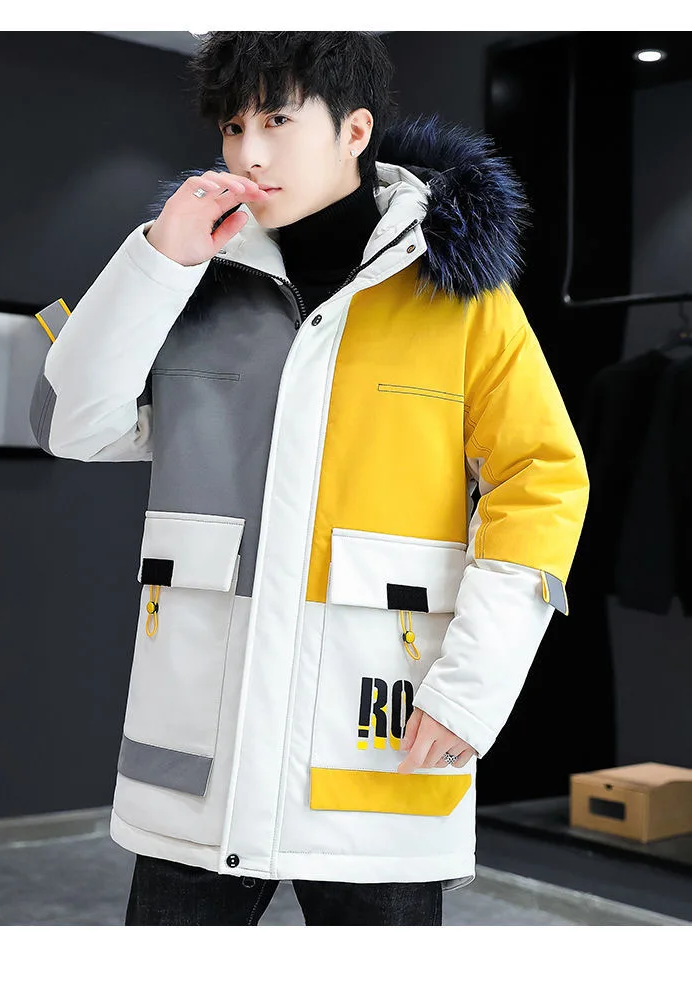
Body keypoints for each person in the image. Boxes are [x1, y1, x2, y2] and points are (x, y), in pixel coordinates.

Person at [29, 31, 589, 926]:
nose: (248, 153)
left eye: (277, 121)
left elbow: (543, 479)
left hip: (377, 751)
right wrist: (155, 260)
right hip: (198, 768)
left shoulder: (461, 298)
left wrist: (471, 691)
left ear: (354, 130)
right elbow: (70, 423)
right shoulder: (191, 279)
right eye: (232, 126)